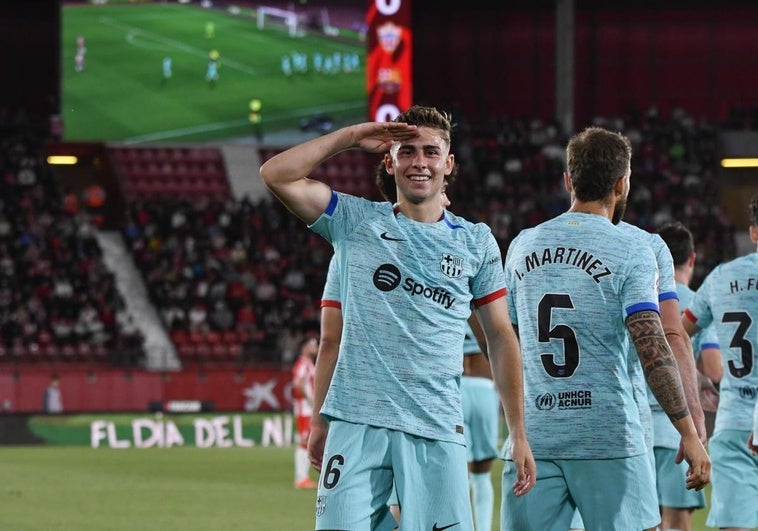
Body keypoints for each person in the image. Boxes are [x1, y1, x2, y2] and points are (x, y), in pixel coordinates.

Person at [261, 105, 535, 530]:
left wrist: (518, 429)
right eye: (407, 152)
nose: (419, 162)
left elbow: (499, 337)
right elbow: (276, 175)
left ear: (449, 163)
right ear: (389, 163)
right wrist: (351, 136)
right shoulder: (354, 222)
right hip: (356, 424)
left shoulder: (477, 242)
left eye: (430, 151)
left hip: (435, 427)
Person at [501, 126, 710, 531]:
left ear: (568, 181)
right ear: (622, 183)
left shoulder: (522, 245)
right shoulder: (635, 247)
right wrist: (688, 429)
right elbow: (655, 345)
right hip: (610, 436)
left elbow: (507, 343)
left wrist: (516, 431)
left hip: (535, 437)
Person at [682, 193, 758, 531]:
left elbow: (680, 334)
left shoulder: (721, 277)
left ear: (754, 233)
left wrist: (694, 377)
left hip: (735, 423)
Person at [461, 317, 500, 531]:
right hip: (484, 386)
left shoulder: (448, 297)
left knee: (458, 470)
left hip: (454, 387)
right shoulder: (485, 304)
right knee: (481, 472)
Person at [292, 336, 319, 489]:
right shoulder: (302, 363)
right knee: (304, 442)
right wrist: (312, 399)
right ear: (304, 347)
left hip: (309, 409)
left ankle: (303, 477)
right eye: (312, 344)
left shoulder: (309, 364)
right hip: (305, 409)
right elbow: (298, 383)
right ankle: (301, 478)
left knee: (308, 442)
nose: (315, 346)